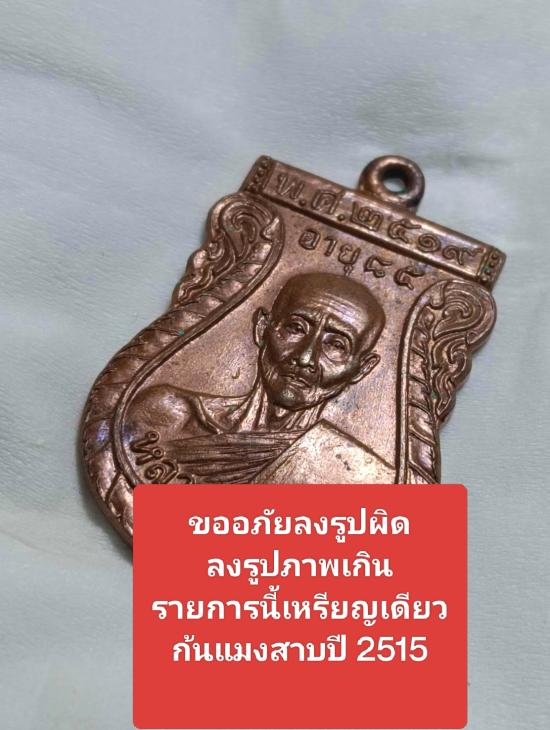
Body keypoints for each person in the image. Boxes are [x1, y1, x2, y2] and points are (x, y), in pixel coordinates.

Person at [126, 272, 386, 483]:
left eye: (336, 345)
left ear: (362, 369)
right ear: (263, 328)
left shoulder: (357, 475)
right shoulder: (167, 413)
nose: (305, 357)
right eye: (296, 328)